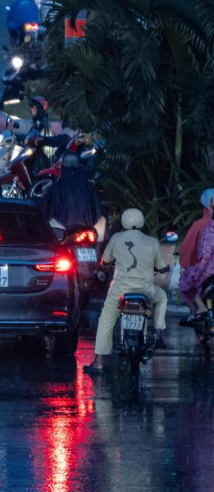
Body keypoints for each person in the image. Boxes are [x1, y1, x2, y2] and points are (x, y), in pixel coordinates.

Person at [85, 208, 170, 374]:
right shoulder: (152, 241)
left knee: (106, 320)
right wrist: (162, 268)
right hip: (146, 289)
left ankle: (98, 362)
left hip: (120, 290)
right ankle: (159, 333)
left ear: (123, 221)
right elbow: (161, 266)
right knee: (162, 298)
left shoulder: (117, 238)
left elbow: (106, 260)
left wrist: (106, 263)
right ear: (141, 222)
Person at [39, 151, 105, 237]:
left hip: (65, 232)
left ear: (63, 167)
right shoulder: (88, 186)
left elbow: (45, 209)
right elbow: (97, 210)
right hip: (88, 232)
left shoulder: (57, 187)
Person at [179, 188, 214, 312]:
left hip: (205, 271)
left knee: (187, 284)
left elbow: (188, 250)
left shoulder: (200, 225)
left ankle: (199, 310)